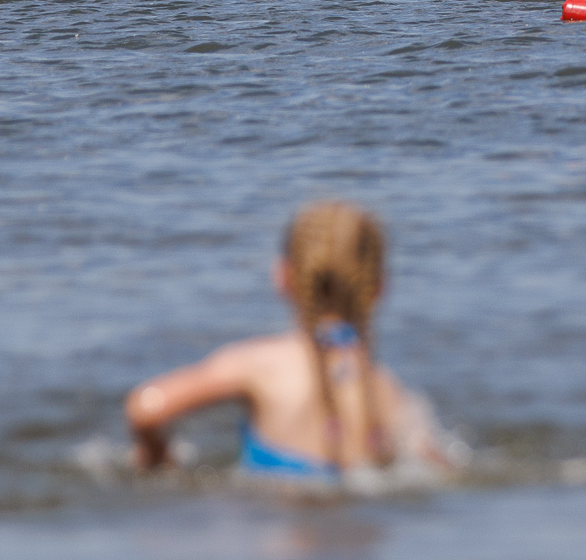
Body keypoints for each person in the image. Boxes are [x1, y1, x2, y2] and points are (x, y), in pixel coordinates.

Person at [124, 201, 464, 485]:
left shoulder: (262, 366)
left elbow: (145, 408)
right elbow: (443, 473)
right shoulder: (386, 391)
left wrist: (157, 460)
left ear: (283, 277)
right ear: (379, 288)